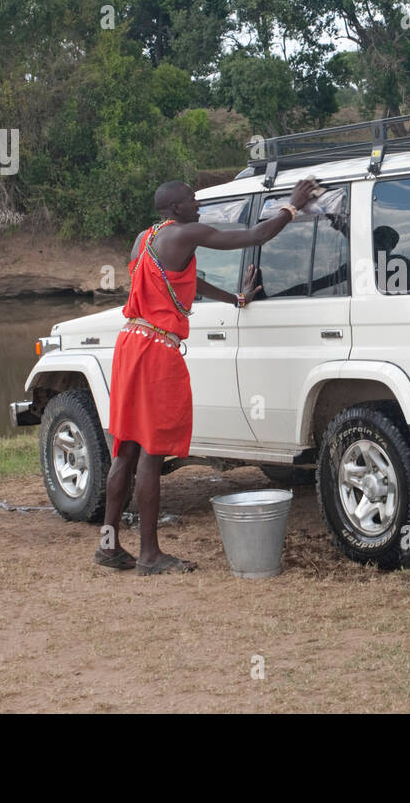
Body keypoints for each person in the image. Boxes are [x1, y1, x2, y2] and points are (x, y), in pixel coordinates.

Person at [94, 177, 318, 575]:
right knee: (150, 451)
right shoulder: (187, 233)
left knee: (125, 447)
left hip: (129, 344)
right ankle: (149, 555)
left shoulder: (146, 238)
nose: (199, 207)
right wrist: (292, 206)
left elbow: (186, 283)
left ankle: (109, 545)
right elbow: (255, 235)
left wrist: (236, 298)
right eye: (193, 201)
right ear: (176, 209)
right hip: (156, 351)